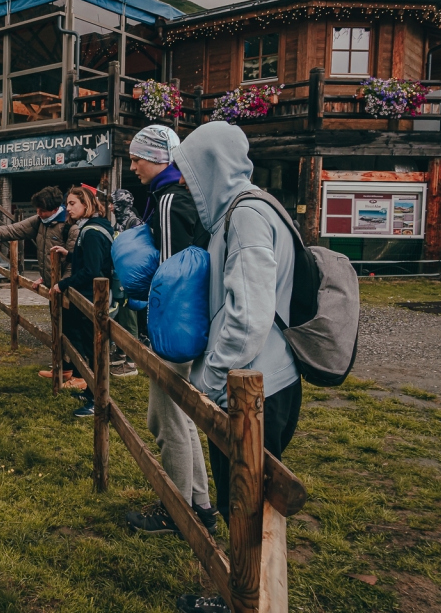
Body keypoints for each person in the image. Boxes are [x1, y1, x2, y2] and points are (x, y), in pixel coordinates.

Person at [172, 121, 302, 613]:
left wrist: (208, 383)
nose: (186, 182)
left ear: (211, 166)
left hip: (253, 386)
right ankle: (251, 597)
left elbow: (248, 316)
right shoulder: (253, 208)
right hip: (262, 379)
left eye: (191, 170)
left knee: (248, 503)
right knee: (248, 504)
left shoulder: (246, 217)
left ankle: (248, 600)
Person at [121, 125, 218, 537]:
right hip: (196, 322)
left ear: (160, 158)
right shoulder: (187, 194)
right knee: (183, 413)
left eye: (137, 158)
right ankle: (200, 505)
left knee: (165, 417)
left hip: (177, 324)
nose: (132, 166)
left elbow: (172, 273)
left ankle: (176, 511)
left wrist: (150, 316)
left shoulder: (166, 199)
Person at [0, 186, 79, 380]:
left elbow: (72, 261)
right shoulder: (40, 222)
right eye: (37, 210)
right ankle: (63, 368)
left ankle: (76, 373)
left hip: (66, 287)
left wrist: (62, 284)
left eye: (42, 210)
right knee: (57, 326)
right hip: (53, 286)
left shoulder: (70, 227)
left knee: (71, 330)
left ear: (54, 209)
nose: (38, 213)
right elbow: (11, 230)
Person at [50, 185, 114, 415]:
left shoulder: (92, 232)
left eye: (72, 203)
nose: (67, 208)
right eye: (67, 204)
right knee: (90, 348)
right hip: (91, 297)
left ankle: (98, 400)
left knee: (94, 349)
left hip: (92, 299)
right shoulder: (93, 227)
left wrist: (63, 284)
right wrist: (71, 255)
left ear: (86, 204)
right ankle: (91, 391)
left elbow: (92, 270)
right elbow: (91, 259)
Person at [108, 187, 142, 378]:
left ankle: (131, 363)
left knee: (129, 318)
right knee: (120, 316)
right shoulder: (119, 223)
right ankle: (121, 352)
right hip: (118, 276)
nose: (111, 207)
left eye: (113, 203)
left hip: (130, 278)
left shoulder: (134, 223)